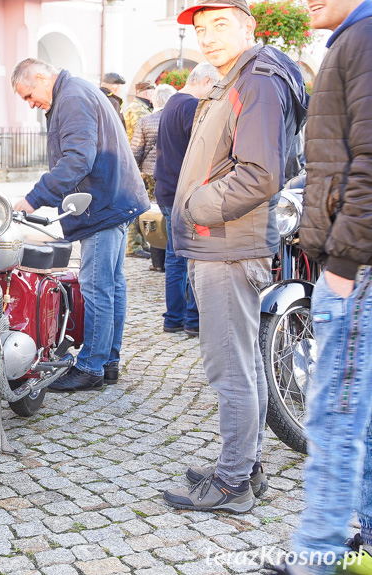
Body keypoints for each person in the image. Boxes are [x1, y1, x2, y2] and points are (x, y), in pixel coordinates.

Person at [161, 0, 308, 513]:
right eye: (200, 28)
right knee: (239, 363)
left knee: (231, 369)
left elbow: (260, 173)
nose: (207, 36)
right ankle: (246, 464)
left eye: (220, 24)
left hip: (226, 244)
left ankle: (233, 483)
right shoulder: (239, 78)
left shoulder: (257, 81)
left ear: (249, 26)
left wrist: (199, 205)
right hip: (222, 242)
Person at [269, 0, 372, 573]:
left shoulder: (363, 39)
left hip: (355, 268)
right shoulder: (354, 38)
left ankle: (318, 557)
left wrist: (343, 261)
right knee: (360, 415)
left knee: (334, 418)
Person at [10, 58, 149, 391]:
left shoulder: (71, 96)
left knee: (97, 287)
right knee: (111, 286)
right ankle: (107, 360)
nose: (31, 104)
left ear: (42, 77)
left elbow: (77, 159)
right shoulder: (77, 91)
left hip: (100, 204)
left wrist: (33, 198)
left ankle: (91, 367)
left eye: (29, 95)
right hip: (111, 200)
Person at [153, 62, 218, 337]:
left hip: (167, 188)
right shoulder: (191, 105)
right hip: (182, 191)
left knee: (175, 256)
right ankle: (192, 319)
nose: (214, 93)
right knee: (190, 256)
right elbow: (202, 150)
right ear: (204, 80)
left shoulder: (171, 102)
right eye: (214, 87)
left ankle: (174, 318)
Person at [130, 83, 177, 273]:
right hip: (171, 173)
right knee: (169, 215)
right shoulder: (175, 119)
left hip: (149, 173)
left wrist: (136, 172)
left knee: (152, 217)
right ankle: (171, 258)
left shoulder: (145, 120)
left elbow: (136, 150)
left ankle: (157, 262)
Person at [124, 81, 156, 259]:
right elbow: (141, 139)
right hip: (137, 164)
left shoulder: (139, 108)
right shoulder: (138, 110)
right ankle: (134, 245)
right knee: (136, 206)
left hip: (137, 163)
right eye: (152, 91)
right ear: (145, 93)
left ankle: (141, 242)